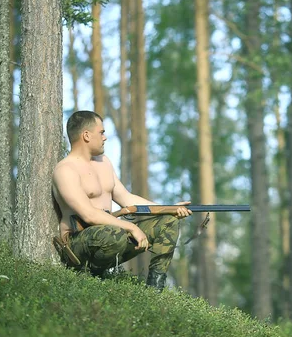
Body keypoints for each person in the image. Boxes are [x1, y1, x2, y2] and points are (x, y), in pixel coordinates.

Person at [52, 110, 192, 291]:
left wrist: (169, 209)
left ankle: (155, 290)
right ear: (86, 135)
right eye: (101, 132)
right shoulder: (65, 170)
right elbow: (89, 215)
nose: (105, 138)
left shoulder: (104, 162)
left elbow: (126, 198)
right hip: (79, 243)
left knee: (168, 222)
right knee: (115, 235)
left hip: (111, 234)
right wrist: (132, 227)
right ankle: (91, 276)